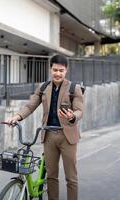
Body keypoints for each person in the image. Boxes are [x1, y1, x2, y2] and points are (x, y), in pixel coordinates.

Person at [6, 54, 83, 200]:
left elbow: (79, 111)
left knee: (71, 178)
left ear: (66, 70)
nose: (58, 73)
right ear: (50, 69)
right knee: (51, 176)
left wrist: (72, 116)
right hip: (48, 136)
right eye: (55, 70)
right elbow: (30, 106)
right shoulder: (43, 87)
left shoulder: (74, 88)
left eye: (61, 70)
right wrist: (16, 117)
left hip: (68, 137)